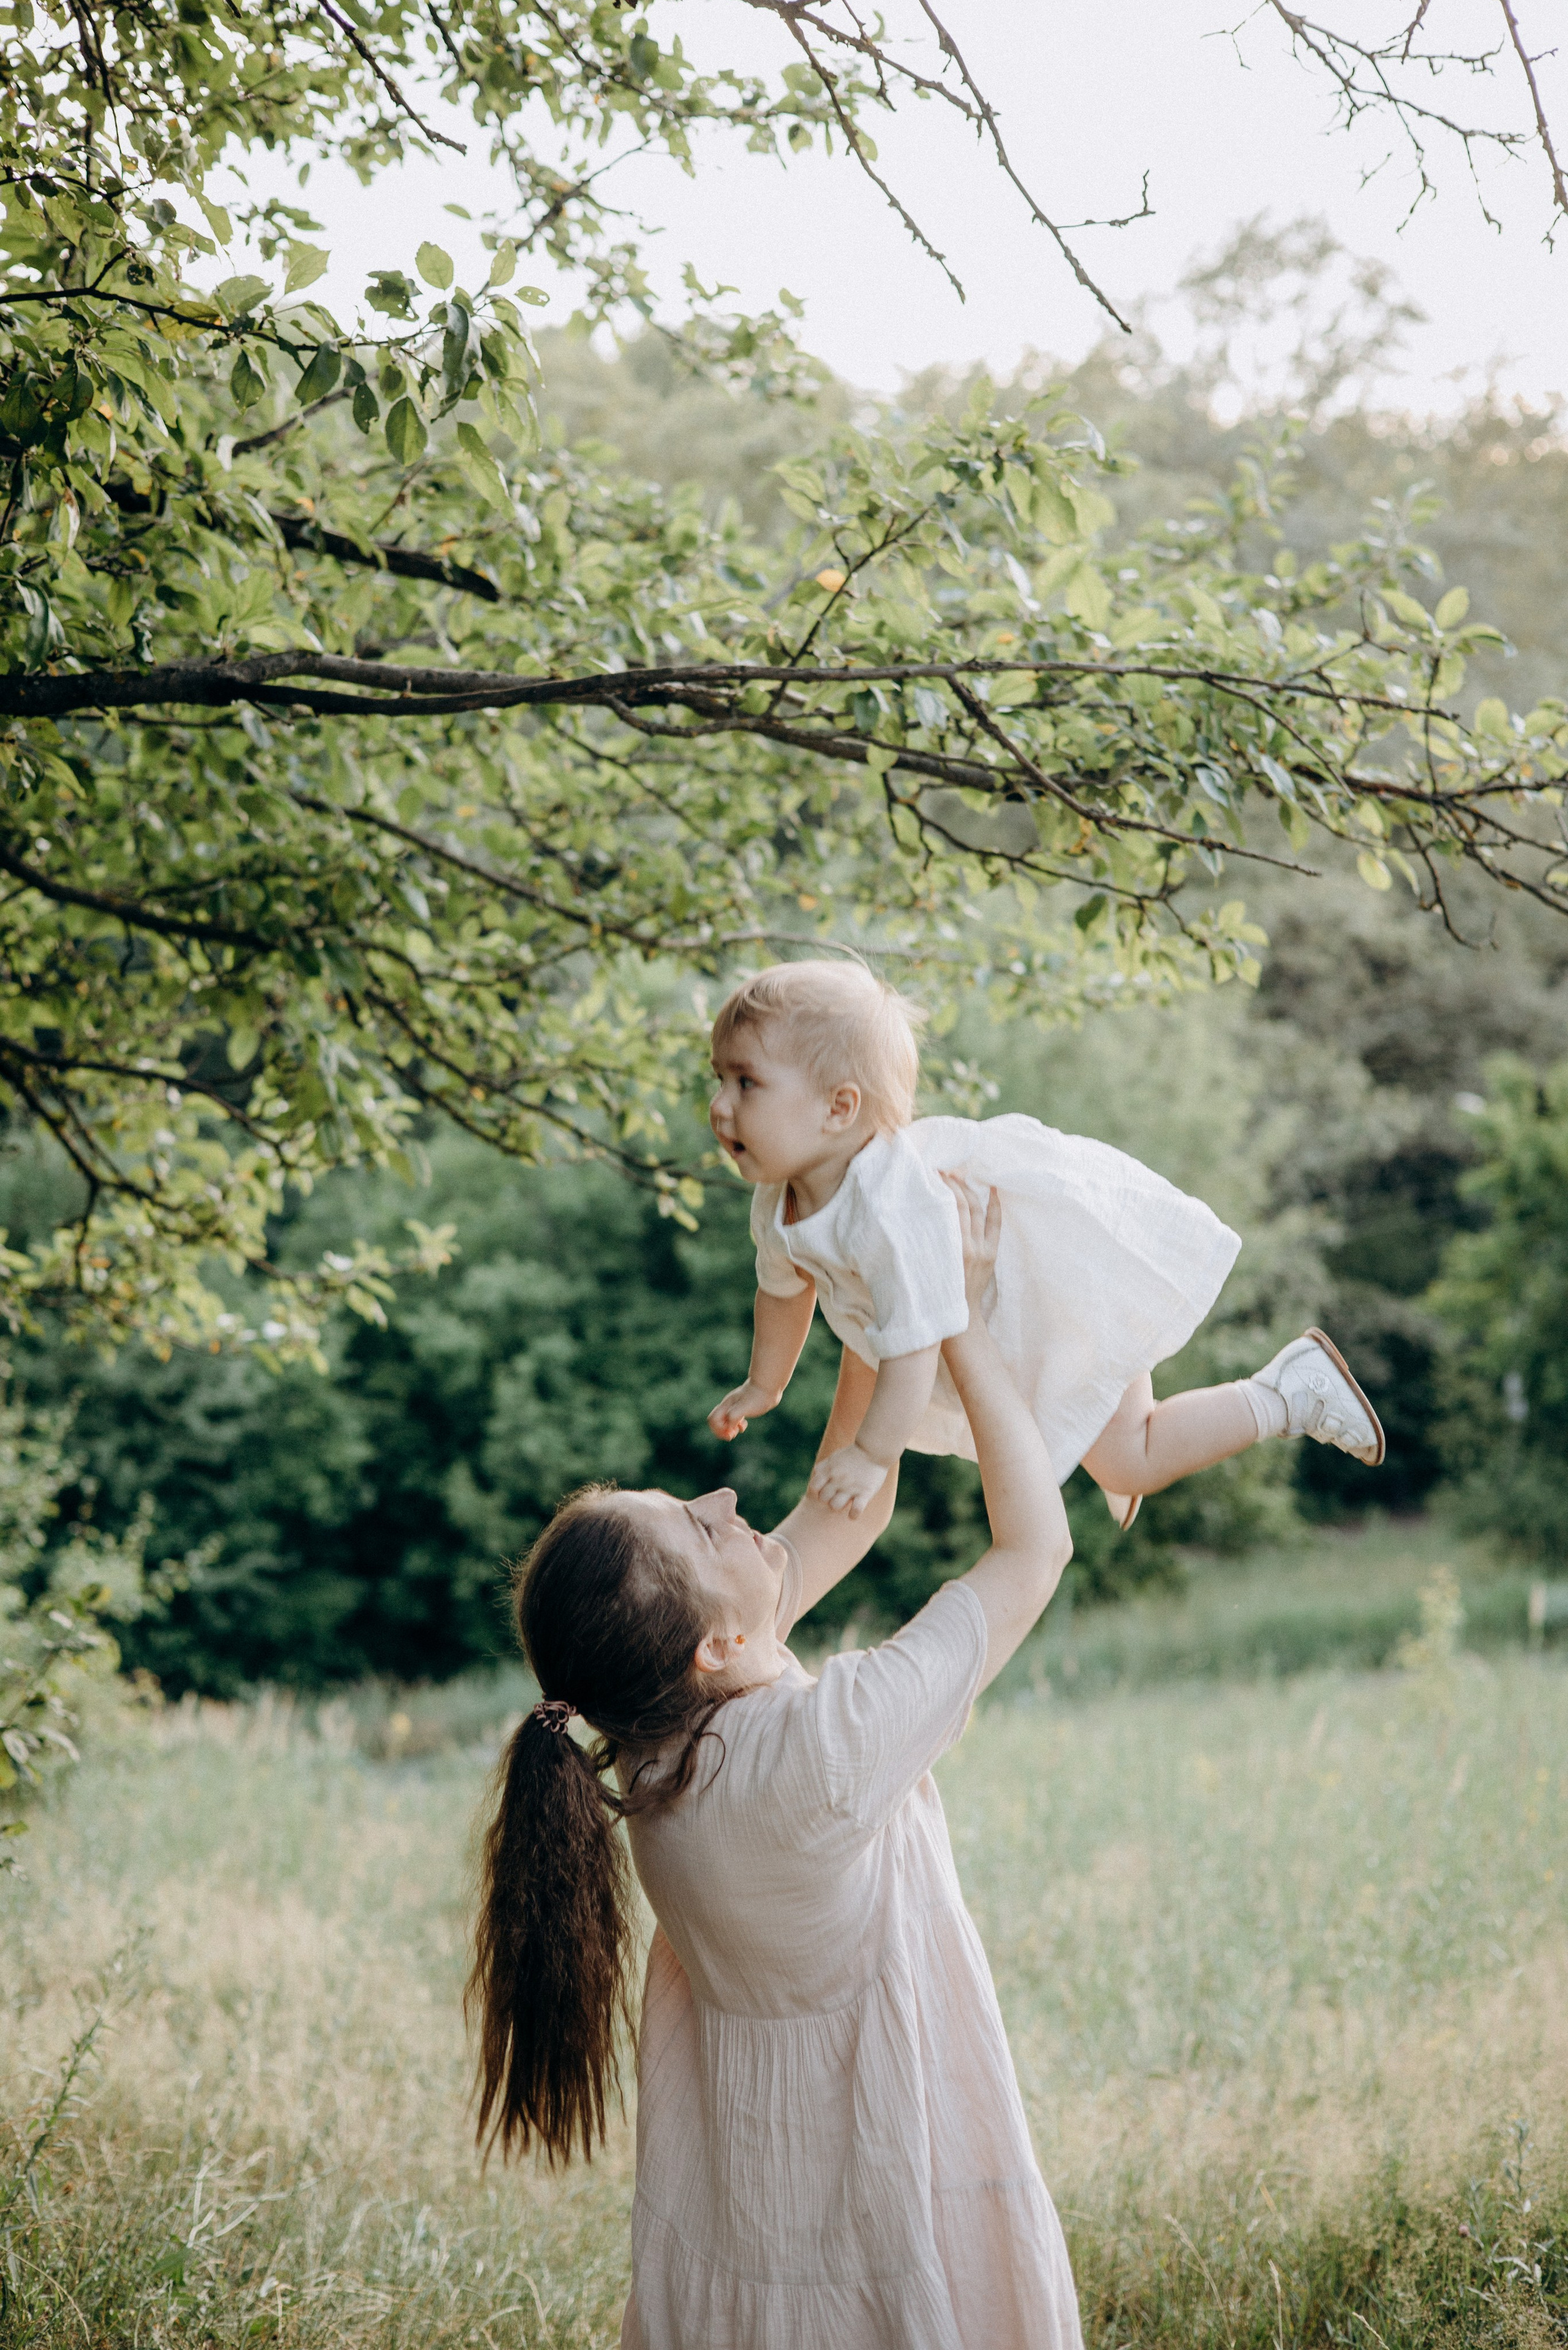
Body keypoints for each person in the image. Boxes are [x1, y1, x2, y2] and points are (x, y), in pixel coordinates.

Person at [470, 1182, 1087, 2349]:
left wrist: (875, 1300)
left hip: (758, 2194)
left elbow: (844, 1506)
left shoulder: (659, 1739)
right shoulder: (823, 1746)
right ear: (717, 1640)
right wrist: (948, 1312)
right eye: (702, 1528)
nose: (724, 1496)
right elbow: (1035, 1547)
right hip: (880, 2151)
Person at [706, 958, 1383, 1530]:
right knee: (1107, 1443)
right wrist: (764, 1383)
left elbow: (911, 1350)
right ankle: (1115, 1421)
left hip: (1051, 1303)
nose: (720, 1105)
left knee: (1130, 1457)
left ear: (839, 1108)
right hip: (1014, 1333)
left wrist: (872, 1456)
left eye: (746, 1082)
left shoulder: (889, 1208)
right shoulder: (781, 1195)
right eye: (719, 1079)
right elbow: (781, 1290)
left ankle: (1288, 1392)